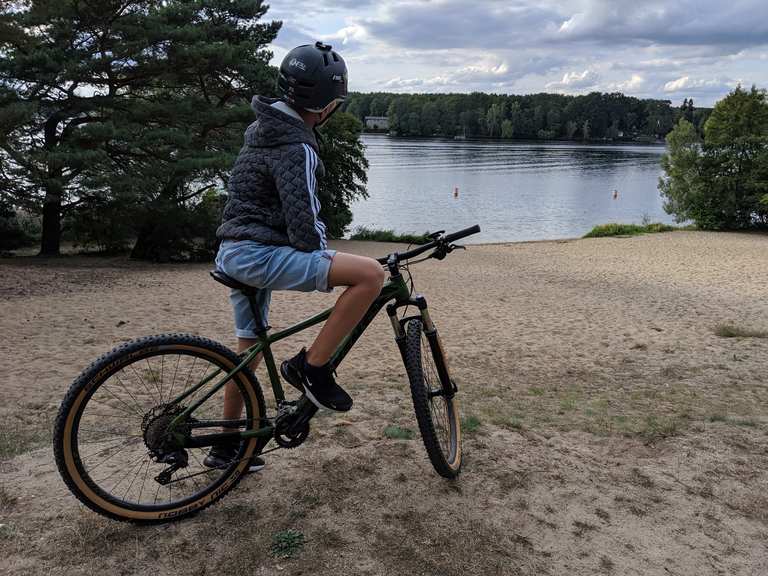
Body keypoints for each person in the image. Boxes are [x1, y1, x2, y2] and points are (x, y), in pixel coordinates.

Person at [204, 43, 386, 471]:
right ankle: (312, 367)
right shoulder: (297, 146)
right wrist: (335, 256)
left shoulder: (263, 131)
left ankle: (226, 448)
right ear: (327, 105)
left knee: (248, 350)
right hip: (256, 253)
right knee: (370, 276)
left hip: (235, 250)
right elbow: (307, 231)